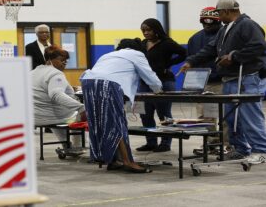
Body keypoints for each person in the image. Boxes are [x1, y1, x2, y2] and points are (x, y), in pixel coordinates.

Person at [180, 0, 266, 161]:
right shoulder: (225, 29)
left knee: (249, 115)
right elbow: (211, 48)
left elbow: (259, 46)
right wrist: (191, 61)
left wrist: (234, 56)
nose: (218, 17)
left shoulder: (247, 24)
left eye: (219, 13)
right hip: (229, 79)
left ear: (227, 11)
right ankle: (240, 148)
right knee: (232, 117)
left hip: (245, 78)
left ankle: (261, 150)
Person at [80, 38, 162, 173]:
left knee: (99, 122)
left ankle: (112, 159)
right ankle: (128, 162)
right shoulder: (136, 54)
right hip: (108, 85)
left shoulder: (107, 55)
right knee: (116, 123)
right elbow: (150, 76)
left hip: (88, 83)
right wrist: (159, 90)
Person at [136, 18, 187, 152]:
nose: (146, 33)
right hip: (145, 82)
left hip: (164, 81)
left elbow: (184, 53)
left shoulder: (167, 43)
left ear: (156, 29)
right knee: (145, 113)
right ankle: (151, 142)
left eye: (148, 30)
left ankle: (165, 143)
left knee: (164, 113)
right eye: (143, 30)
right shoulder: (143, 44)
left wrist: (168, 64)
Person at [31, 45, 87, 151]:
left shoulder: (33, 72)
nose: (65, 63)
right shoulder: (55, 74)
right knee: (78, 114)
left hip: (34, 117)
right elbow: (56, 94)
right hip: (50, 116)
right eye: (62, 60)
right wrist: (81, 107)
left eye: (66, 60)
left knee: (57, 111)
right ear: (50, 60)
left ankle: (66, 144)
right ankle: (77, 146)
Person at [187, 7, 224, 154]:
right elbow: (191, 60)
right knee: (205, 115)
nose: (207, 25)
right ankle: (210, 143)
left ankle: (227, 144)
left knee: (225, 115)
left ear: (219, 21)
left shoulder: (225, 35)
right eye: (204, 22)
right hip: (201, 83)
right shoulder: (194, 39)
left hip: (222, 81)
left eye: (211, 22)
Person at [26, 24, 53, 133]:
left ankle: (49, 125)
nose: (45, 34)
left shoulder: (53, 46)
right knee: (37, 101)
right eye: (42, 32)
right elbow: (30, 63)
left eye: (46, 32)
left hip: (51, 78)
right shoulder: (30, 47)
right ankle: (34, 122)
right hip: (37, 78)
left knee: (50, 101)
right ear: (36, 34)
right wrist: (43, 66)